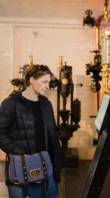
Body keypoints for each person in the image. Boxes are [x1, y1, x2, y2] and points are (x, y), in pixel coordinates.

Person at [0, 64, 63, 197]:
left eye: (49, 82)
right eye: (44, 82)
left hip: (46, 167)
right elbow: (1, 133)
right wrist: (19, 153)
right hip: (21, 169)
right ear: (32, 80)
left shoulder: (46, 104)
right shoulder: (11, 104)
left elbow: (49, 131)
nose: (47, 86)